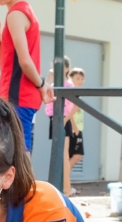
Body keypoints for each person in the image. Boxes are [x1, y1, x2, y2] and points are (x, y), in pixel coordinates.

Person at [0, 0, 54, 153]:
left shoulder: (16, 15)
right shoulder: (23, 11)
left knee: (17, 155)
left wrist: (42, 84)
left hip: (17, 97)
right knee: (19, 153)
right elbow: (6, 65)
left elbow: (24, 62)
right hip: (21, 98)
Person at [45, 56, 74, 196]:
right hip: (53, 117)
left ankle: (67, 188)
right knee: (56, 153)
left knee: (64, 154)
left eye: (61, 66)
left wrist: (65, 120)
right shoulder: (52, 83)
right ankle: (60, 188)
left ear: (67, 68)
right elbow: (43, 91)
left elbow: (73, 105)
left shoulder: (68, 84)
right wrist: (49, 77)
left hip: (63, 118)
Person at [67, 68, 85, 174]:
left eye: (82, 79)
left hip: (77, 128)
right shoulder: (73, 96)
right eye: (78, 78)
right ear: (71, 79)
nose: (80, 81)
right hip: (75, 130)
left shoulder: (77, 95)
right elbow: (70, 112)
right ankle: (63, 177)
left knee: (73, 156)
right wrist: (74, 127)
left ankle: (65, 181)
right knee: (77, 155)